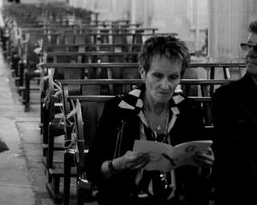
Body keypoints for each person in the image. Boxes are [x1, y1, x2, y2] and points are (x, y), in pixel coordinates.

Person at [86, 35, 214, 205]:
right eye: (158, 75)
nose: (165, 85)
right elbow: (92, 171)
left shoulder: (189, 110)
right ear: (142, 72)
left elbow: (200, 177)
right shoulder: (118, 109)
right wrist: (118, 163)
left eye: (173, 77)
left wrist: (206, 165)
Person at [212, 19, 257, 205]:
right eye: (248, 46)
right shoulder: (226, 97)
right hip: (242, 191)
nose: (250, 53)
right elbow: (231, 159)